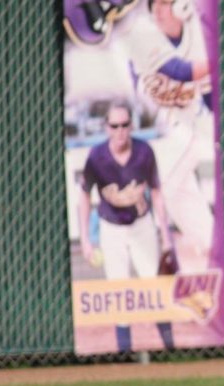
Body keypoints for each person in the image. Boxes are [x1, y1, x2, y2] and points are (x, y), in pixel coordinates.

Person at [120, 0, 215, 272]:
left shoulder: (197, 36)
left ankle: (190, 247)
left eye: (165, 3)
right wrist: (218, 58)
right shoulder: (142, 31)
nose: (158, 9)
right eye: (154, 4)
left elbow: (208, 95)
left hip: (190, 126)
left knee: (168, 184)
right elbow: (179, 71)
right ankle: (213, 248)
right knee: (182, 192)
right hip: (159, 130)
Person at [78, 102, 175, 352]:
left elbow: (157, 193)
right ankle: (125, 353)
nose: (120, 130)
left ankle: (170, 349)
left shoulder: (144, 152)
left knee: (154, 288)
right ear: (106, 128)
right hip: (111, 230)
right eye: (114, 125)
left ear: (131, 125)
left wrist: (166, 237)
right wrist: (86, 240)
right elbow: (84, 197)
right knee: (118, 291)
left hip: (142, 226)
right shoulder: (97, 157)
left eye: (124, 125)